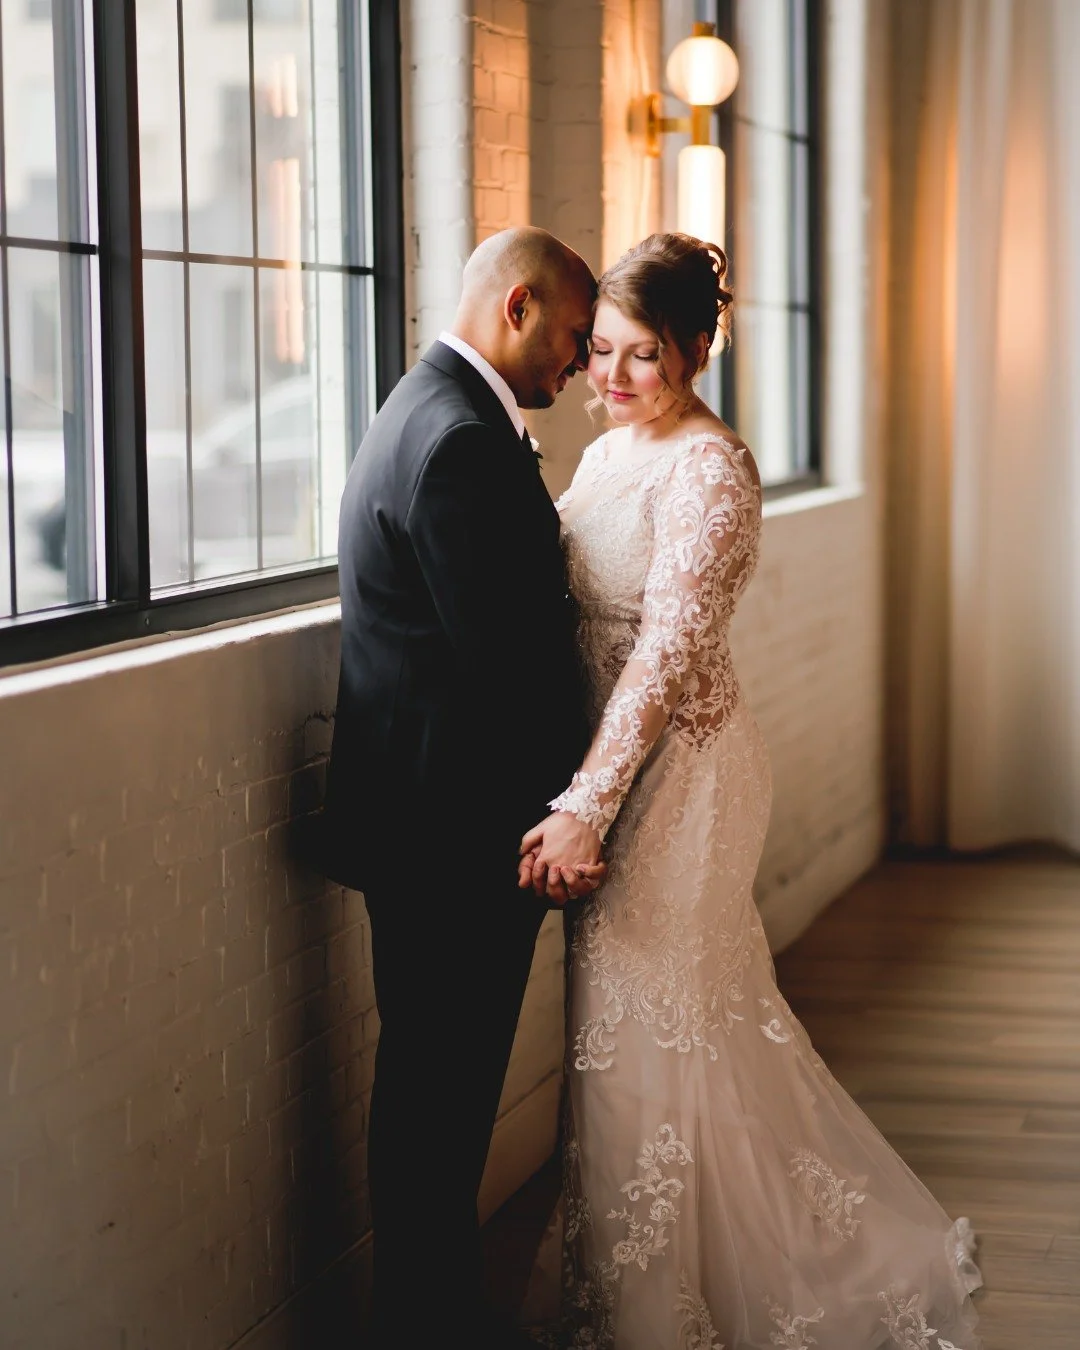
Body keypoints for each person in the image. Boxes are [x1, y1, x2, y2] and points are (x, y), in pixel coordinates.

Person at [517, 232, 983, 1349]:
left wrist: (587, 799)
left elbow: (666, 654)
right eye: (602, 353)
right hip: (612, 771)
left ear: (693, 351)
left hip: (687, 783)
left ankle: (692, 1303)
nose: (612, 379)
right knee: (624, 1035)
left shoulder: (713, 471)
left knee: (653, 1032)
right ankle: (633, 1289)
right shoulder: (605, 454)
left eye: (641, 357)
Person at [320, 226, 607, 1348]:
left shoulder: (431, 409)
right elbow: (512, 671)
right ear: (521, 306)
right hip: (452, 836)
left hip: (424, 821)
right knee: (442, 1102)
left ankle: (429, 1312)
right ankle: (427, 1322)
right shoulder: (459, 443)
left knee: (432, 1097)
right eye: (578, 340)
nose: (580, 366)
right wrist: (573, 809)